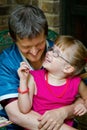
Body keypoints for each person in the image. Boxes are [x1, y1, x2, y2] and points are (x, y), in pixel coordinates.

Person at [0, 4, 85, 130]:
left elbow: (81, 93)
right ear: (14, 39)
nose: (34, 52)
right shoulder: (6, 62)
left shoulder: (58, 52)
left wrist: (64, 112)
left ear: (46, 35)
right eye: (26, 47)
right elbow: (17, 115)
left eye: (39, 44)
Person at [17, 35, 87, 130]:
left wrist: (83, 105)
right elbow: (24, 109)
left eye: (56, 53)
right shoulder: (33, 77)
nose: (49, 53)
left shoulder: (76, 82)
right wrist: (23, 81)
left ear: (68, 68)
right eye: (51, 49)